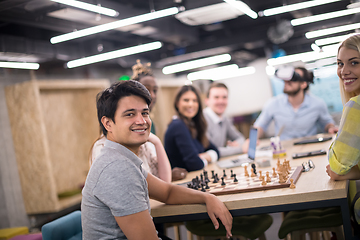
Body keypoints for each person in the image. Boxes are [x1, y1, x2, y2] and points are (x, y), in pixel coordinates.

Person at [81, 80, 233, 239]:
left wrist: (207, 197)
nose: (141, 121)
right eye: (130, 114)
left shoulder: (122, 157)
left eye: (144, 113)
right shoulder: (117, 168)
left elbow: (167, 192)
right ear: (108, 123)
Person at [254, 66, 338, 140]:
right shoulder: (273, 103)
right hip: (284, 151)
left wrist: (330, 128)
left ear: (303, 84)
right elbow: (260, 126)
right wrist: (251, 142)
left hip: (310, 147)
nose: (287, 81)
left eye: (293, 78)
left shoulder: (318, 104)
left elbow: (327, 123)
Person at [326, 34, 360, 181]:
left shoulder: (356, 106)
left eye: (354, 63)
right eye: (340, 63)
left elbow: (336, 169)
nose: (344, 71)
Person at [164, 85, 219, 172]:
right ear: (177, 103)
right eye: (186, 100)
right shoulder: (178, 125)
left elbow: (216, 151)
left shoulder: (193, 125)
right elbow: (195, 164)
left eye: (194, 100)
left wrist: (202, 157)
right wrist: (206, 157)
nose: (190, 104)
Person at [203, 82, 250, 157]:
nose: (221, 101)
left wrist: (236, 145)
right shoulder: (202, 120)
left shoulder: (225, 119)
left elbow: (240, 138)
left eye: (224, 97)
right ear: (207, 101)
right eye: (216, 97)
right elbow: (211, 152)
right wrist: (240, 149)